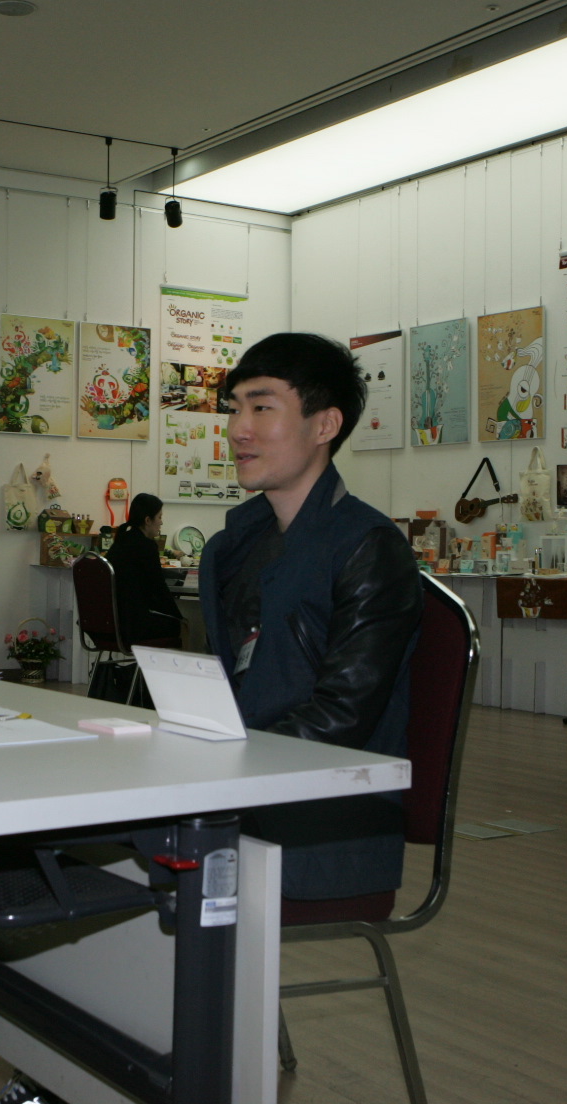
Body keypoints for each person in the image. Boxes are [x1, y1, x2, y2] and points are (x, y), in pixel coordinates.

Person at [199, 332, 423, 901]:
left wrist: (219, 771)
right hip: (239, 796)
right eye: (234, 408)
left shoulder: (369, 547)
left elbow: (340, 718)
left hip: (321, 823)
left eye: (261, 408)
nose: (238, 429)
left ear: (325, 425)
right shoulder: (235, 546)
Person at [105, 492, 183, 647]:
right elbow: (158, 588)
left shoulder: (121, 541)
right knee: (181, 625)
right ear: (148, 520)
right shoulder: (146, 546)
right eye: (159, 517)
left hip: (110, 624)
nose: (161, 522)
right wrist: (180, 617)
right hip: (133, 626)